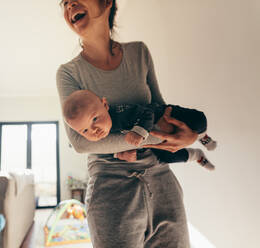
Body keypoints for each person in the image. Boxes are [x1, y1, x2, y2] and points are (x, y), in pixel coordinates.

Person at [56, 0, 199, 247]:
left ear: (106, 2)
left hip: (161, 180)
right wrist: (170, 136)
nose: (70, 6)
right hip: (110, 186)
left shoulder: (139, 53)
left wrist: (185, 133)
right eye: (65, 3)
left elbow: (162, 112)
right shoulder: (69, 73)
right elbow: (80, 142)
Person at [62, 89, 216, 170]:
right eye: (85, 131)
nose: (94, 130)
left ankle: (203, 136)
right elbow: (117, 145)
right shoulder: (104, 134)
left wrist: (139, 132)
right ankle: (196, 155)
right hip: (157, 140)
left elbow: (146, 113)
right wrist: (121, 154)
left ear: (105, 105)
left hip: (162, 115)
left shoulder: (120, 112)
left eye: (94, 119)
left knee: (198, 120)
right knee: (164, 158)